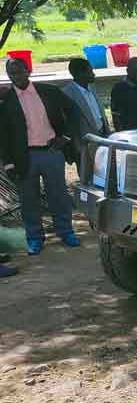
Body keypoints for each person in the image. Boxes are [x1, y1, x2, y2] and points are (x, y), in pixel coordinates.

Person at [0, 56, 81, 255]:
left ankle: (66, 232)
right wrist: (8, 163)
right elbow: (3, 135)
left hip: (51, 153)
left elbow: (74, 110)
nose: (16, 76)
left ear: (29, 71)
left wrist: (66, 137)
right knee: (29, 200)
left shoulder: (49, 92)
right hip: (24, 157)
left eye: (19, 71)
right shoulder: (6, 101)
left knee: (58, 196)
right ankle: (35, 238)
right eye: (11, 73)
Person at [62, 57, 111, 172]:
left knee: (105, 174)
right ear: (80, 74)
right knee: (88, 177)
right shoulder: (67, 93)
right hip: (84, 144)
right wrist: (77, 146)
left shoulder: (92, 87)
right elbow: (67, 123)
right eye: (90, 71)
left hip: (102, 138)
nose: (94, 74)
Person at [110, 57, 137, 131]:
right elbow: (115, 114)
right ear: (128, 71)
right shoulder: (119, 88)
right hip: (128, 132)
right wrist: (121, 134)